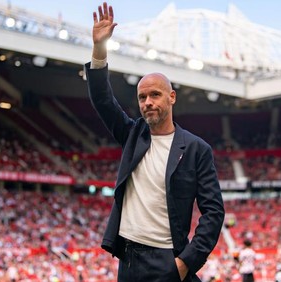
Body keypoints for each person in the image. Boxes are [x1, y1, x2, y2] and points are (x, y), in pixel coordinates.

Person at [84, 2, 225, 281]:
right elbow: (102, 100)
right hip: (129, 258)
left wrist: (185, 263)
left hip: (169, 259)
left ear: (171, 97)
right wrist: (99, 50)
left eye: (155, 95)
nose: (148, 103)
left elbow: (213, 212)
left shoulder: (196, 149)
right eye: (142, 97)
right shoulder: (132, 134)